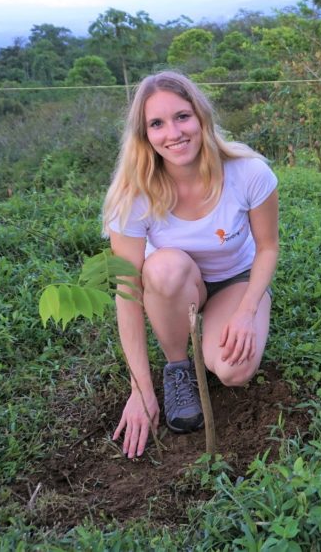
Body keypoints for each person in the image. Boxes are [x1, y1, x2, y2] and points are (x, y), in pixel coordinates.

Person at [101, 71, 278, 459]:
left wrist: (247, 310)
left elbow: (267, 248)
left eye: (182, 116)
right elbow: (127, 293)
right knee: (162, 267)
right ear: (144, 134)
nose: (173, 133)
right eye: (157, 124)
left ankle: (229, 323)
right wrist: (140, 389)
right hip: (179, 287)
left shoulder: (248, 172)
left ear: (201, 117)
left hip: (236, 281)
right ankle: (178, 367)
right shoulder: (132, 196)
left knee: (233, 372)